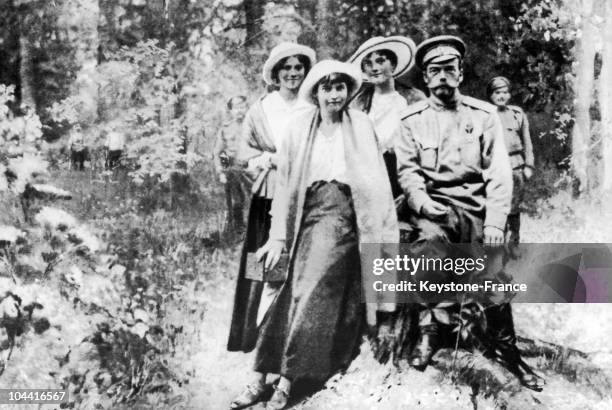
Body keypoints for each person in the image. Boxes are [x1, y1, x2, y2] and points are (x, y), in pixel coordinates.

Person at [230, 60, 398, 410]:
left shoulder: (362, 125)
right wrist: (278, 237)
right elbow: (287, 186)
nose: (334, 94)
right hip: (305, 216)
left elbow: (377, 185)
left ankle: (286, 381)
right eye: (327, 87)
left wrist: (378, 231)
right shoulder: (297, 128)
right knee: (289, 287)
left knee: (309, 289)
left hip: (344, 218)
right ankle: (258, 376)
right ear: (317, 92)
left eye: (340, 87)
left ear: (348, 92)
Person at [395, 35, 542, 390]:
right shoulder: (411, 119)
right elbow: (408, 172)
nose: (442, 76)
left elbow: (498, 173)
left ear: (460, 73)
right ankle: (431, 331)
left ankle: (507, 350)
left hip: (477, 206)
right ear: (426, 78)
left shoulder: (484, 115)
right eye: (435, 71)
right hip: (435, 208)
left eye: (449, 69)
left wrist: (495, 221)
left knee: (493, 269)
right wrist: (420, 201)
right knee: (428, 250)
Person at [227, 42, 315, 356]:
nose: (293, 73)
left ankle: (289, 333)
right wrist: (266, 159)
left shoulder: (313, 106)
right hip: (268, 195)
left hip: (304, 195)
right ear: (275, 74)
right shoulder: (261, 109)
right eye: (286, 68)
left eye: (298, 68)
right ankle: (253, 330)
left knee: (297, 262)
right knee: (260, 262)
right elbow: (243, 155)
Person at [348, 36, 426, 199]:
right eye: (368, 64)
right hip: (368, 172)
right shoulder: (358, 102)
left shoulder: (413, 98)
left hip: (404, 170)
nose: (374, 68)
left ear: (393, 65)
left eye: (380, 61)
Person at [487, 76, 534, 244]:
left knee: (514, 206)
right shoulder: (485, 114)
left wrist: (529, 165)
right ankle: (496, 243)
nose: (501, 96)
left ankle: (514, 241)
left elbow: (527, 140)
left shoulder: (517, 113)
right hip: (494, 166)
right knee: (496, 204)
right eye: (497, 92)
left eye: (505, 92)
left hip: (515, 165)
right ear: (490, 95)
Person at [213, 95, 249, 233]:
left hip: (253, 168)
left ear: (247, 108)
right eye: (236, 108)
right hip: (233, 169)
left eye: (242, 107)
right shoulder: (226, 129)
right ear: (230, 111)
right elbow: (220, 152)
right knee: (236, 201)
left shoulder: (254, 126)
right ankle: (238, 229)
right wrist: (222, 171)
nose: (239, 111)